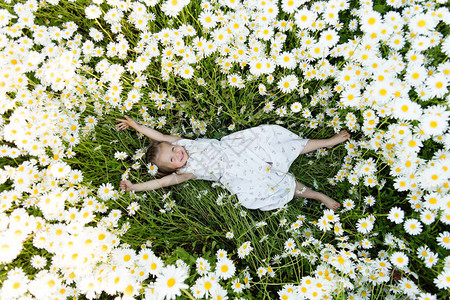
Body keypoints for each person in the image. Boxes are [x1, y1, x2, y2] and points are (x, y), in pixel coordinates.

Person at [116, 115, 350, 211]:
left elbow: (160, 136)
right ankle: (318, 196)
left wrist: (137, 126)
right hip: (239, 173)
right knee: (275, 184)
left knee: (277, 144)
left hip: (240, 147)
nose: (177, 153)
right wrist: (135, 187)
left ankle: (326, 142)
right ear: (173, 168)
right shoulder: (186, 173)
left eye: (174, 149)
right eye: (172, 159)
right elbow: (159, 184)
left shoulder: (184, 142)